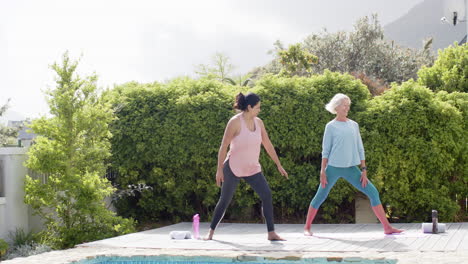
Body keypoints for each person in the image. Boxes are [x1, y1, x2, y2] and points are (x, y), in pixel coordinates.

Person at [304, 93, 403, 236]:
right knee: (320, 196)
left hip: (351, 168)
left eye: (348, 105)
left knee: (373, 192)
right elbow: (325, 150)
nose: (347, 108)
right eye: (344, 105)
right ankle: (307, 228)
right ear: (337, 107)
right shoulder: (330, 126)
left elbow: (360, 147)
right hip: (333, 168)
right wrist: (322, 171)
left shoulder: (353, 125)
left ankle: (387, 228)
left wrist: (364, 169)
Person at [204, 92, 289, 241]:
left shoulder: (259, 122)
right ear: (249, 107)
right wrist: (219, 170)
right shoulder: (235, 122)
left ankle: (271, 233)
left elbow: (267, 144)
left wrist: (278, 164)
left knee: (266, 195)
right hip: (233, 167)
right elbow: (224, 146)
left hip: (252, 168)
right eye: (257, 107)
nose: (259, 110)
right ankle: (210, 232)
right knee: (224, 200)